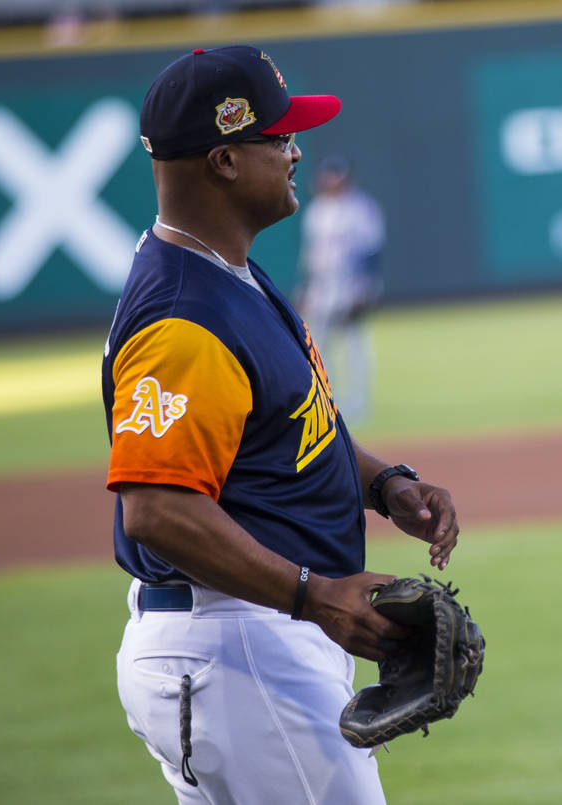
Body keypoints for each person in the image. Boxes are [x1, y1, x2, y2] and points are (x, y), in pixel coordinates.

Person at [102, 45, 459, 804]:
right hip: (237, 643)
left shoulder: (227, 271)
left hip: (250, 638)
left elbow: (292, 425)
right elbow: (157, 507)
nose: (298, 150)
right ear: (225, 160)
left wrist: (383, 481)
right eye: (280, 137)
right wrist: (315, 594)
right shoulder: (182, 317)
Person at [296, 155, 385, 424]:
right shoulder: (316, 210)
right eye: (328, 175)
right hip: (322, 285)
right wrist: (305, 288)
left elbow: (372, 250)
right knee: (319, 346)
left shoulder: (361, 208)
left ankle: (359, 401)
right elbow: (310, 254)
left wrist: (365, 286)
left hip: (350, 282)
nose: (332, 180)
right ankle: (328, 400)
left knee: (353, 342)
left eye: (337, 176)